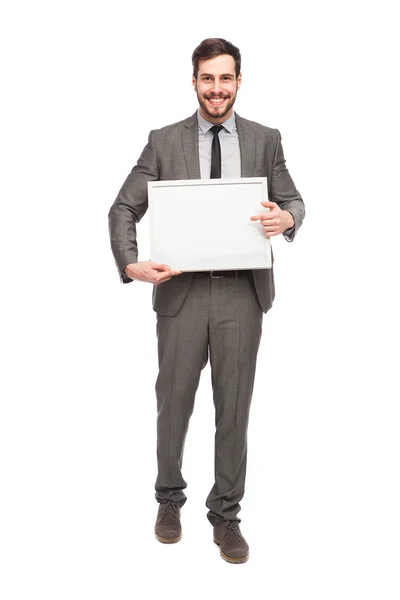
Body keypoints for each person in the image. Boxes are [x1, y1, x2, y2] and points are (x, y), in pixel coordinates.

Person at [108, 37, 305, 564]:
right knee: (173, 404)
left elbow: (292, 200)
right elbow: (123, 208)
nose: (216, 88)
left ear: (239, 80)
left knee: (233, 410)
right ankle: (168, 501)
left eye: (225, 78)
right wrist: (130, 261)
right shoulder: (163, 141)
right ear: (193, 81)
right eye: (207, 78)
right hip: (181, 292)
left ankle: (226, 516)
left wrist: (287, 219)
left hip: (242, 293)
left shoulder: (266, 139)